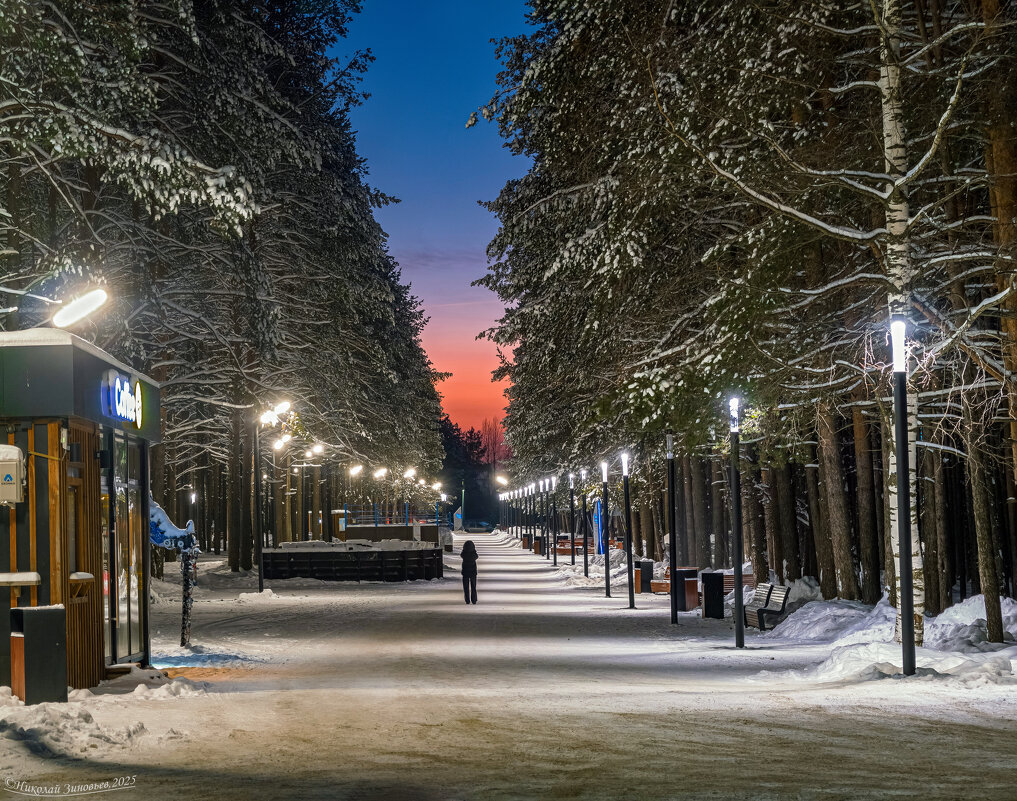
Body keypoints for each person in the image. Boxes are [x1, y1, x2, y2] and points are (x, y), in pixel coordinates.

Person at [460, 540, 478, 604]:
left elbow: (461, 554)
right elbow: (476, 556)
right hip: (473, 572)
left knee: (466, 587)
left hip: (465, 572)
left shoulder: (464, 554)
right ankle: (474, 599)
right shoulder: (474, 555)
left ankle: (467, 600)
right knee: (473, 586)